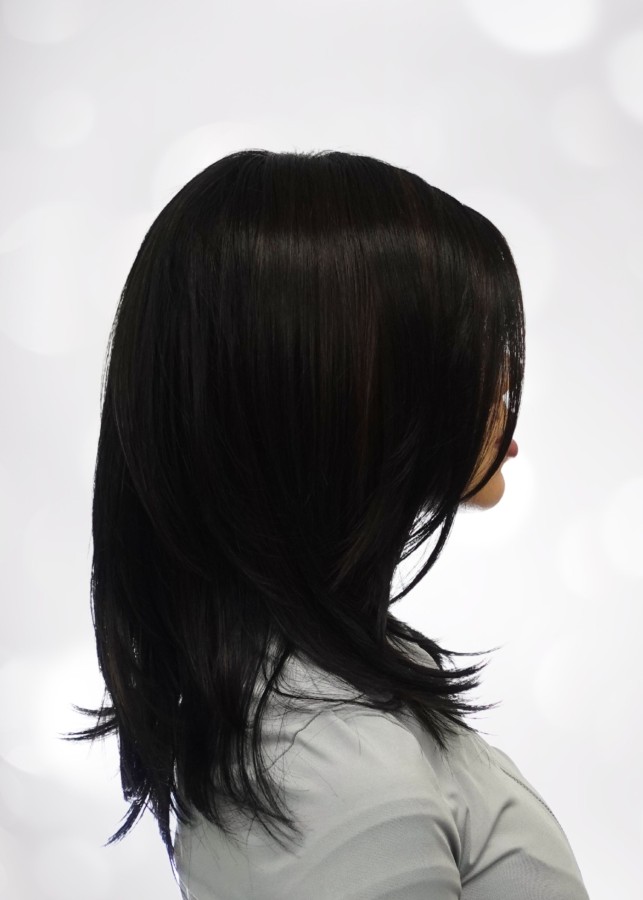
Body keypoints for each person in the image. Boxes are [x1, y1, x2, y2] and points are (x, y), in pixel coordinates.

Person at [66, 149, 589, 899]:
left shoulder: (324, 717)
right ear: (348, 388)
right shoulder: (325, 768)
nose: (503, 384)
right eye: (465, 344)